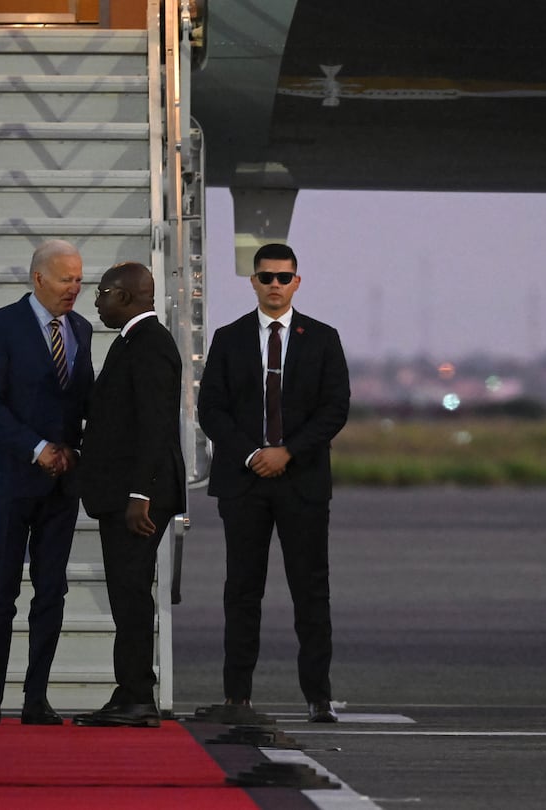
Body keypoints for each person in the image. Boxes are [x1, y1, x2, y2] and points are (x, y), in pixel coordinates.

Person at [197, 242, 351, 722]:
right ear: (254, 282)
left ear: (297, 282)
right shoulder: (228, 337)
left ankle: (318, 696)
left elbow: (335, 408)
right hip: (244, 483)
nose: (275, 285)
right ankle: (236, 696)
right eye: (266, 277)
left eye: (284, 277)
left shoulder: (323, 338)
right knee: (242, 590)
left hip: (301, 481)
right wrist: (252, 454)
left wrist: (288, 451)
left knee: (311, 591)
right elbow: (211, 410)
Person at [0, 239, 94, 725]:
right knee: (1, 592)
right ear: (38, 278)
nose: (75, 289)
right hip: (9, 480)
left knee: (51, 592)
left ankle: (36, 699)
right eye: (67, 279)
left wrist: (76, 451)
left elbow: (82, 401)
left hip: (62, 485)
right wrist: (36, 447)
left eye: (80, 279)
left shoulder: (81, 329)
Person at [73, 262, 186, 728]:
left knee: (132, 593)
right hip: (126, 494)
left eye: (101, 293)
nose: (95, 302)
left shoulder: (150, 345)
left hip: (138, 498)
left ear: (125, 296)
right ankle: (131, 692)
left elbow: (155, 426)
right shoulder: (132, 342)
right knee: (127, 592)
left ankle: (137, 695)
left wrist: (140, 493)